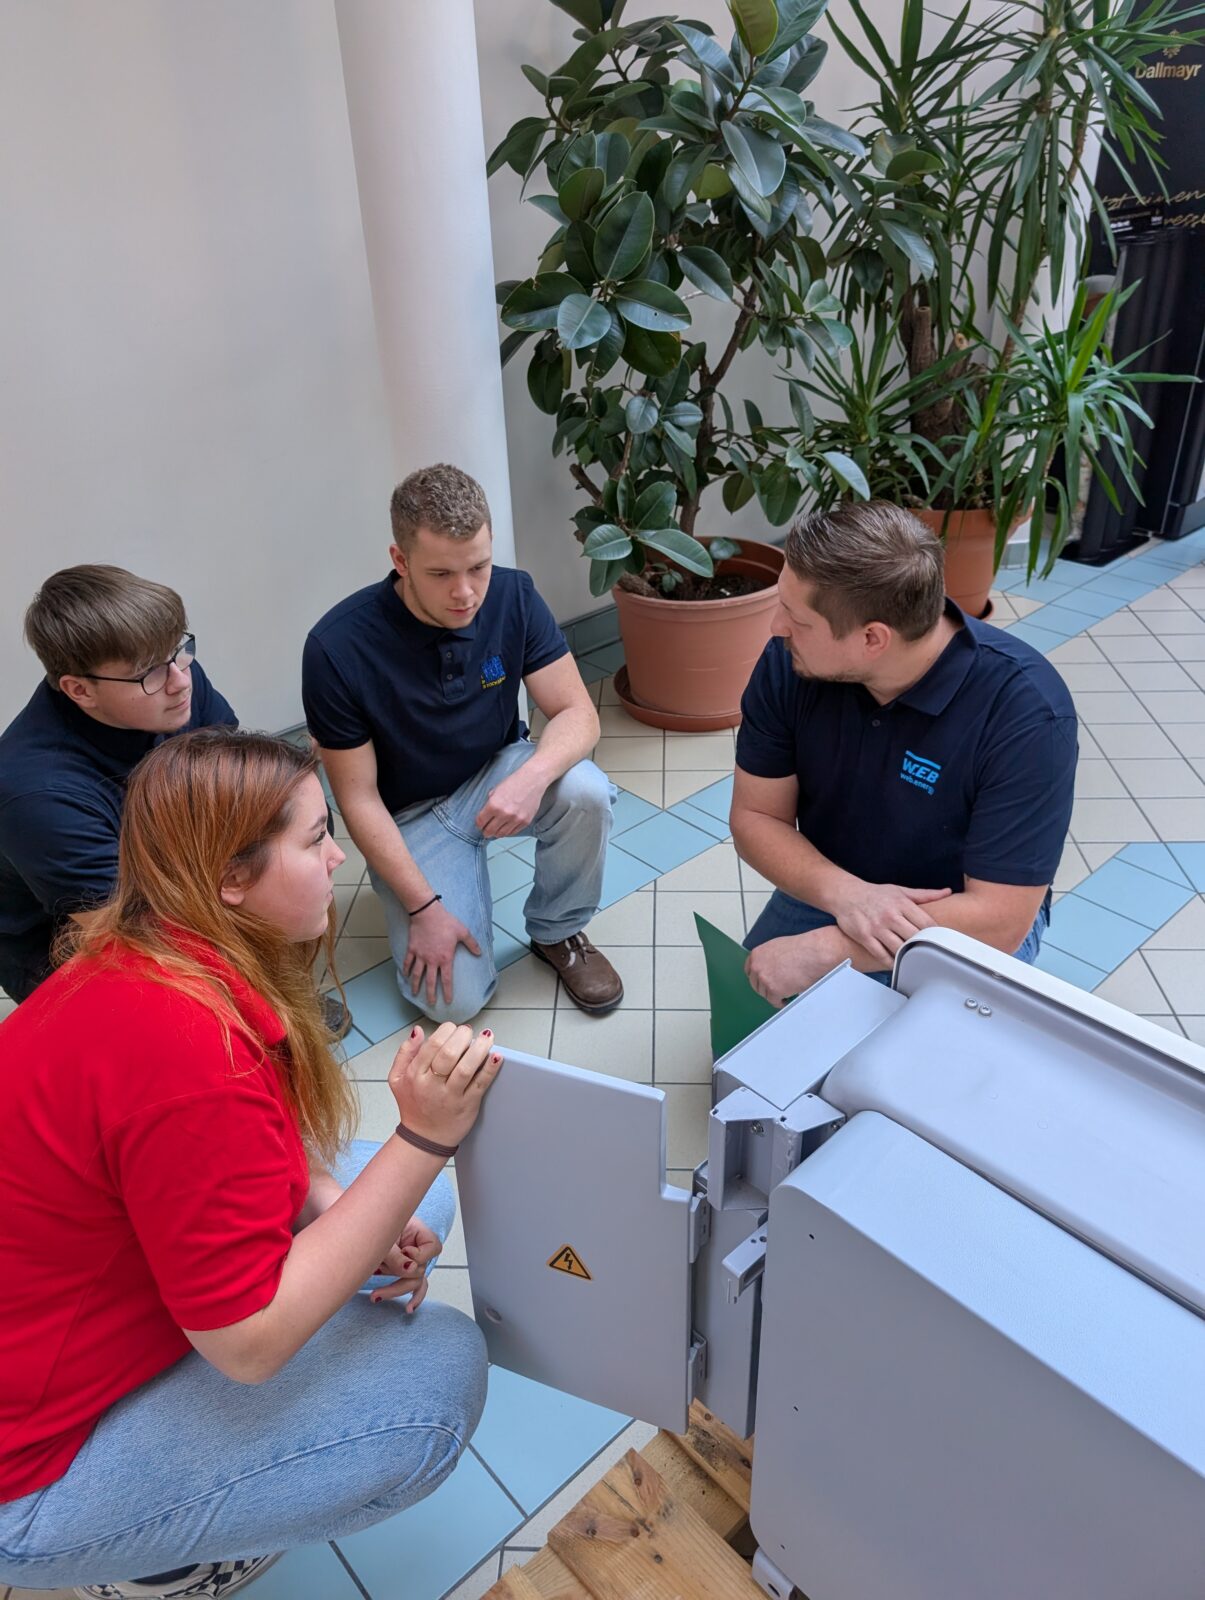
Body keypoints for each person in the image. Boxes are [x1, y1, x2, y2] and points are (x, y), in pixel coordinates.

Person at [0, 728, 501, 1600]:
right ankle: (142, 1559)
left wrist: (350, 1200)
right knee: (437, 1380)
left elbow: (264, 1148)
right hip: (28, 1477)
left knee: (395, 1207)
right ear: (230, 879)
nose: (341, 855)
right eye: (314, 840)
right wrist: (425, 1137)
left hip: (56, 1311)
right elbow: (248, 1347)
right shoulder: (190, 1057)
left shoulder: (137, 958)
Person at [302, 462, 623, 1022]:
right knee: (454, 1003)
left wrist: (532, 776)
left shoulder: (514, 595)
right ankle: (435, 895)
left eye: (479, 565)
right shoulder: (336, 648)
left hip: (496, 773)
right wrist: (424, 906)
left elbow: (578, 713)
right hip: (408, 818)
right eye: (442, 574)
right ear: (400, 562)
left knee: (585, 790)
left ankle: (559, 929)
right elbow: (356, 799)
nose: (467, 591)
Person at [732, 501, 1078, 1006]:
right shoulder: (791, 664)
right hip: (835, 882)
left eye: (797, 619)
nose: (775, 627)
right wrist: (850, 897)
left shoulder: (1026, 715)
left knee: (889, 1076)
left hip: (956, 918)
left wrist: (830, 950)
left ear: (873, 638)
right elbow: (756, 815)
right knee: (752, 1042)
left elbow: (1001, 919)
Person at [0, 565, 351, 1036]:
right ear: (80, 690)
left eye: (179, 652)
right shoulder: (37, 792)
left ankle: (268, 1002)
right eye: (150, 673)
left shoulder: (170, 680)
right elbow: (123, 934)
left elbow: (238, 800)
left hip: (168, 866)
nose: (180, 680)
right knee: (172, 1027)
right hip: (69, 942)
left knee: (273, 866)